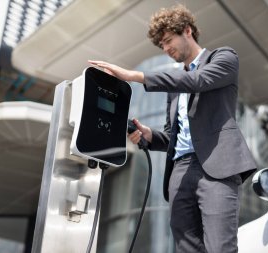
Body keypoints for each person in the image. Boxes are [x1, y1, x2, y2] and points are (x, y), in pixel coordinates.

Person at [89, 4, 256, 252]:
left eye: (168, 41)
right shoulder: (174, 89)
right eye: (162, 46)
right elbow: (171, 137)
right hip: (180, 171)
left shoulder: (224, 58)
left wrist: (136, 76)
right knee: (185, 248)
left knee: (220, 246)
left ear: (187, 31)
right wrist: (149, 135)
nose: (166, 49)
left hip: (218, 167)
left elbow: (198, 80)